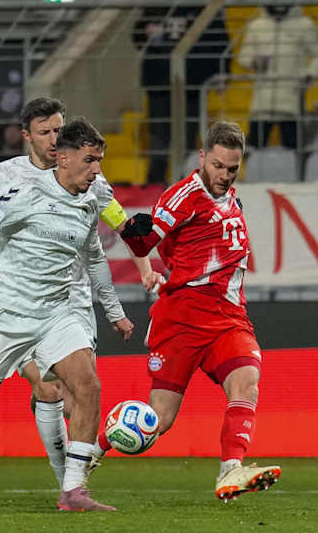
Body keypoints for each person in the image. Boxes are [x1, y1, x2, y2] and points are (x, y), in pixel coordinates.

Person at [0, 98, 164, 492]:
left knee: (72, 389)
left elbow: (118, 229)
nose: (54, 138)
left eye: (59, 130)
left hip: (68, 301)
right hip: (14, 301)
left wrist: (140, 274)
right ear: (28, 136)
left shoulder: (92, 184)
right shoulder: (10, 179)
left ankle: (71, 487)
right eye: (45, 132)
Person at [95, 120, 281, 501]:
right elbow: (144, 241)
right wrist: (124, 222)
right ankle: (91, 449)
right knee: (158, 421)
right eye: (217, 166)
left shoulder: (232, 200)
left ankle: (230, 471)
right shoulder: (183, 197)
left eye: (232, 169)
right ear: (201, 157)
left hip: (228, 318)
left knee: (247, 378)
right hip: (183, 319)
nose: (224, 175)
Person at [133, 0, 231, 184]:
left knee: (187, 138)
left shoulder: (206, 7)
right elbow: (137, 37)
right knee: (159, 139)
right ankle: (155, 185)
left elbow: (221, 41)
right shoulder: (156, 7)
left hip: (191, 85)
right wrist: (145, 32)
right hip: (160, 84)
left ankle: (185, 185)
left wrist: (222, 72)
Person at [236, 0, 318, 150]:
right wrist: (254, 62)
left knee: (292, 146)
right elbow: (244, 55)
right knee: (254, 146)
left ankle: (295, 168)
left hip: (291, 96)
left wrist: (310, 75)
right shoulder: (257, 26)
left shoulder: (303, 24)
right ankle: (255, 168)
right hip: (263, 98)